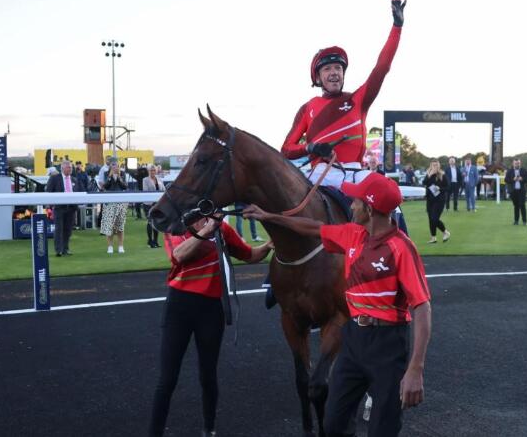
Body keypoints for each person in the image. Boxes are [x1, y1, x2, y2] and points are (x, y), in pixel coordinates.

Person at [242, 172, 431, 437]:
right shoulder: (353, 235)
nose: (350, 205)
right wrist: (269, 217)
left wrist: (415, 368)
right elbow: (310, 227)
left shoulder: (401, 248)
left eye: (355, 201)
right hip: (353, 339)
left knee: (383, 429)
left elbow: (422, 306)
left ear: (369, 208)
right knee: (333, 424)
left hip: (388, 344)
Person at [149, 215, 273, 437]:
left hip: (211, 310)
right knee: (167, 378)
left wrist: (269, 245)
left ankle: (209, 428)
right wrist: (207, 231)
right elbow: (178, 255)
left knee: (208, 375)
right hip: (179, 307)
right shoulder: (176, 226)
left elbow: (250, 255)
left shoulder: (223, 229)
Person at [281, 0, 406, 189]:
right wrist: (311, 147)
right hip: (321, 174)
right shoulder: (308, 108)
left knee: (391, 197)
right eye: (328, 69)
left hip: (356, 171)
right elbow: (286, 149)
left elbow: (382, 68)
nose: (334, 73)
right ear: (318, 77)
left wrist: (397, 27)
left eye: (338, 68)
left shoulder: (359, 99)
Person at [45, 160, 78, 256]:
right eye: (68, 167)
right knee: (59, 229)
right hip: (59, 208)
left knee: (68, 230)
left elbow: (79, 191)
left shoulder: (74, 180)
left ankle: (65, 249)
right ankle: (58, 250)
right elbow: (48, 191)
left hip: (71, 208)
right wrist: (49, 206)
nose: (70, 169)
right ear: (62, 168)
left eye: (71, 167)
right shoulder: (55, 178)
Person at [101, 160, 128, 254]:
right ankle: (110, 247)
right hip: (109, 202)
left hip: (121, 202)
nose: (114, 168)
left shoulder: (123, 174)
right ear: (110, 167)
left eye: (116, 166)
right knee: (109, 226)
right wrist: (109, 177)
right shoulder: (106, 174)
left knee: (120, 226)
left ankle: (121, 246)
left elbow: (125, 186)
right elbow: (104, 186)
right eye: (113, 166)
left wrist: (119, 178)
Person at [423, 160, 450, 243]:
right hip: (430, 200)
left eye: (436, 165)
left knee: (434, 218)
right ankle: (433, 238)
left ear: (438, 166)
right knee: (430, 219)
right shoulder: (428, 174)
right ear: (430, 166)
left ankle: (445, 232)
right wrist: (429, 175)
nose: (434, 167)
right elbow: (424, 183)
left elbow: (448, 187)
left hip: (440, 200)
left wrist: (440, 188)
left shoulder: (442, 175)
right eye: (433, 165)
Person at [142, 164, 165, 248]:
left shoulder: (159, 179)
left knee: (156, 222)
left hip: (158, 204)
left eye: (154, 170)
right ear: (148, 171)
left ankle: (155, 241)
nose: (152, 172)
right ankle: (150, 241)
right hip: (148, 204)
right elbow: (145, 191)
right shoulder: (145, 180)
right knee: (150, 222)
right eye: (151, 170)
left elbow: (163, 190)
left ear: (156, 171)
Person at [505, 159, 527, 225]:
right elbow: (506, 180)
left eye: (518, 163)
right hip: (513, 191)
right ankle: (516, 221)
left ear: (520, 163)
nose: (517, 165)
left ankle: (525, 221)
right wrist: (513, 179)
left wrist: (522, 179)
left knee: (522, 205)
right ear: (513, 164)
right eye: (516, 163)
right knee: (516, 206)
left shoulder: (523, 170)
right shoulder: (509, 171)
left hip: (522, 191)